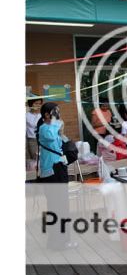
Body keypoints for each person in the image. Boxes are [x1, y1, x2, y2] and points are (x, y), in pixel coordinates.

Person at [36, 102, 76, 250]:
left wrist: (62, 131)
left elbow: (63, 142)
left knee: (62, 206)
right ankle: (58, 242)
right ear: (47, 115)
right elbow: (51, 136)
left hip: (59, 168)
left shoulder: (54, 128)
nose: (58, 114)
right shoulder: (44, 128)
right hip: (52, 172)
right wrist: (58, 125)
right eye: (56, 111)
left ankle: (60, 241)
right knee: (56, 206)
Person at [26, 98, 42, 162]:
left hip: (43, 139)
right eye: (36, 103)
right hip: (32, 140)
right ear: (31, 104)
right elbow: (34, 124)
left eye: (39, 104)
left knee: (43, 158)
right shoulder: (26, 115)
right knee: (35, 159)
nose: (38, 105)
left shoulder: (42, 115)